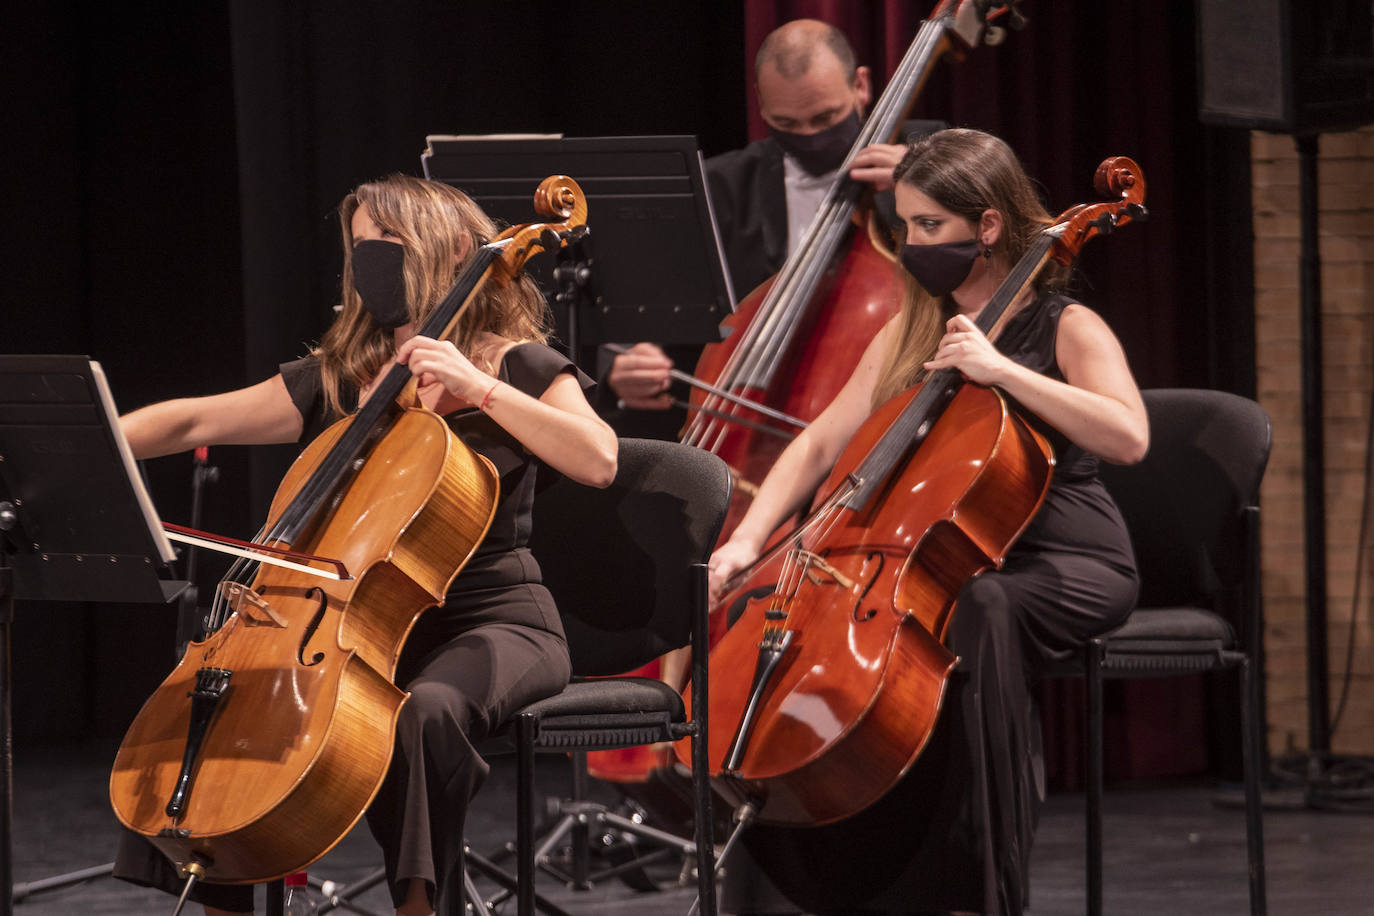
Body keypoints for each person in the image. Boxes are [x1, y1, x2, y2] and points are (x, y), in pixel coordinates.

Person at [111, 174, 618, 916]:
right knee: (222, 700)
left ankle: (420, 905)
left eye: (383, 246)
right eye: (357, 249)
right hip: (359, 629)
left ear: (442, 252)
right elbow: (192, 423)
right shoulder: (346, 378)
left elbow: (599, 458)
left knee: (429, 712)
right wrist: (91, 450)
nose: (364, 265)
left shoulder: (515, 364)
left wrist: (479, 388)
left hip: (494, 621)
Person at [706, 128, 1147, 915]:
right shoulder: (913, 327)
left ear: (986, 226)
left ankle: (984, 874)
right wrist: (746, 539)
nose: (912, 244)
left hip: (1064, 561)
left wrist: (1003, 371)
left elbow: (1129, 434)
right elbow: (819, 447)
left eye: (929, 226)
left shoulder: (1065, 324)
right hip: (941, 557)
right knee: (831, 630)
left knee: (983, 609)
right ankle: (828, 874)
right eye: (905, 225)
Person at [605, 18, 938, 431]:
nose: (811, 137)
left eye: (826, 118)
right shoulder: (716, 188)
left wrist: (928, 185)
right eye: (788, 124)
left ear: (861, 85)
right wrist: (624, 367)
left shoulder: (935, 159)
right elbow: (644, 314)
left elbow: (1002, 259)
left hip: (895, 416)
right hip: (748, 427)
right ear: (761, 104)